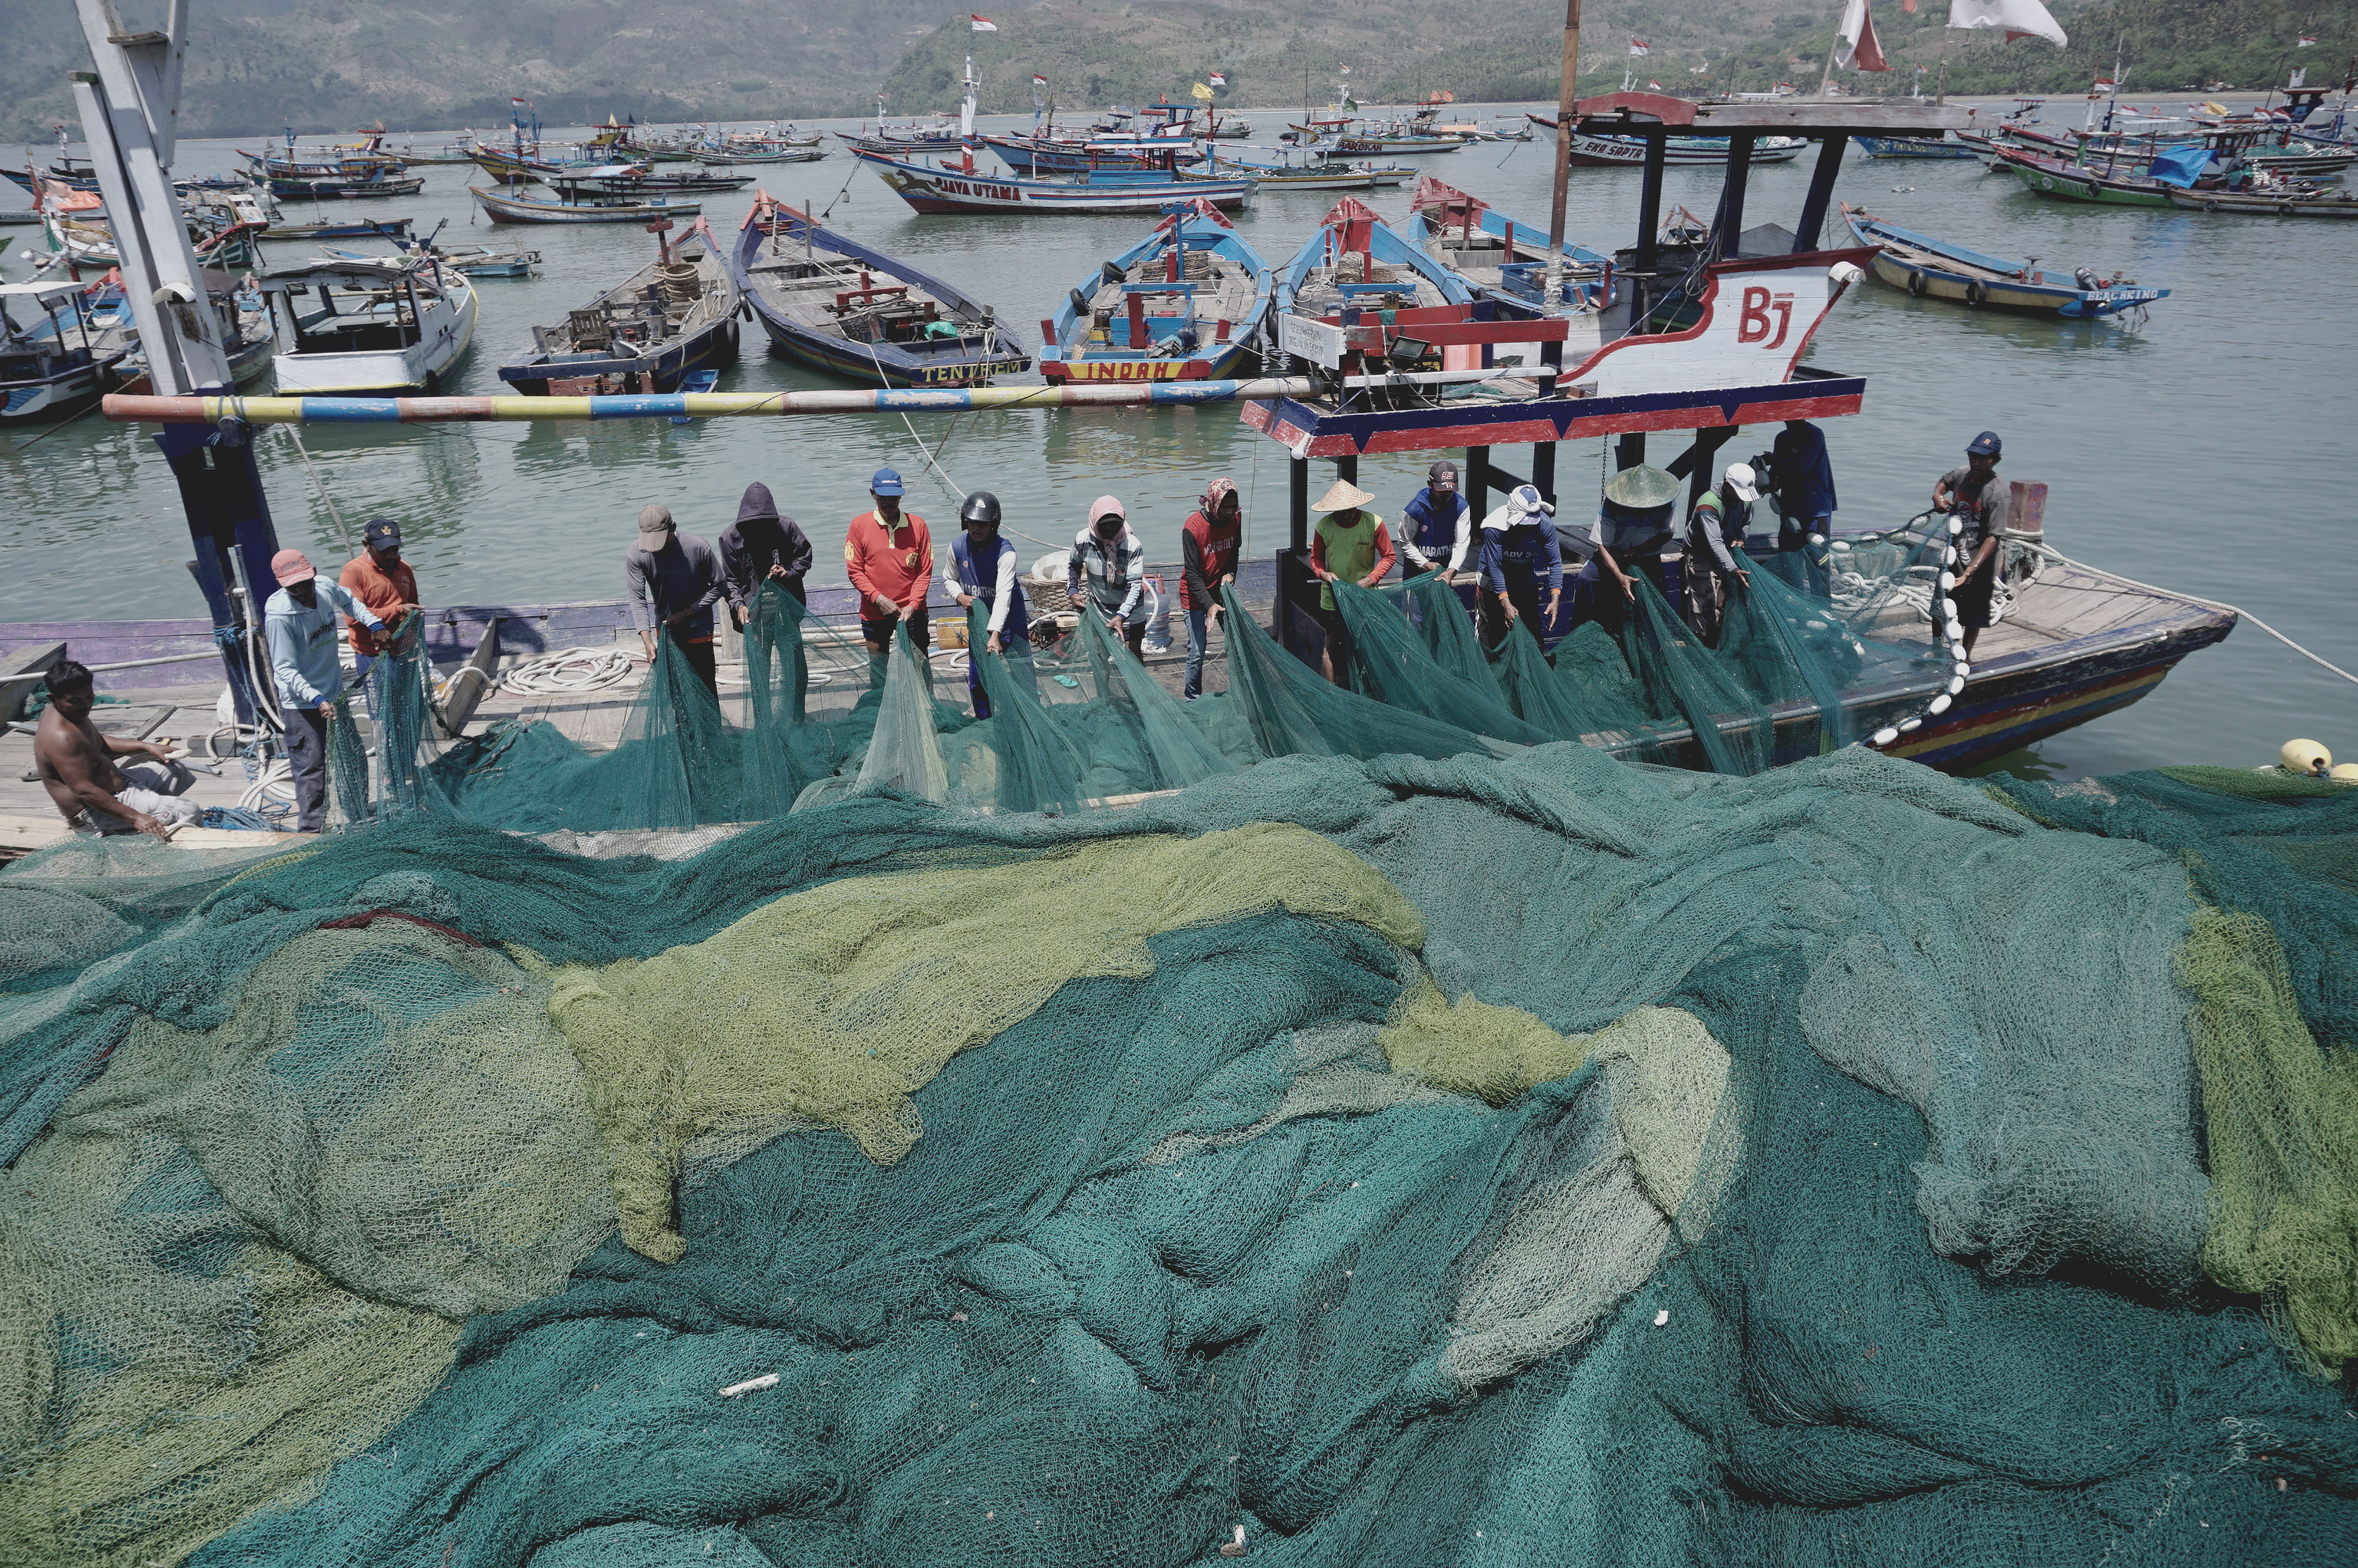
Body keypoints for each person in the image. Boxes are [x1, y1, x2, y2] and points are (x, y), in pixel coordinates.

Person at [264, 548, 382, 834]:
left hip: (335, 696)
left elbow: (350, 602)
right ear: (282, 585)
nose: (302, 591)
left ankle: (358, 813)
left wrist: (374, 624)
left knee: (353, 757)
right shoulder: (280, 616)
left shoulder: (327, 588)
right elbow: (284, 669)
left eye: (305, 583)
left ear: (314, 574)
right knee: (312, 770)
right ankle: (311, 832)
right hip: (302, 705)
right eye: (294, 588)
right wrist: (316, 698)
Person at [32, 658, 199, 838]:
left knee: (175, 769)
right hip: (93, 812)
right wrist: (136, 817)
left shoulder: (72, 712)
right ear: (53, 698)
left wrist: (146, 747)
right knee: (189, 810)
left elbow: (98, 742)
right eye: (75, 701)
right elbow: (84, 791)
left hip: (120, 785)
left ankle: (155, 816)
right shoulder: (61, 737)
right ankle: (145, 824)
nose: (86, 705)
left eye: (89, 696)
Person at [624, 504, 726, 694]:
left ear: (673, 527)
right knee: (676, 693)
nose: (655, 548)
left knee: (705, 689)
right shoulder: (637, 553)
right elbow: (637, 599)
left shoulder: (698, 547)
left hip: (699, 627)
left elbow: (720, 585)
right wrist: (647, 641)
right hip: (667, 630)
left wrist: (687, 613)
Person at [943, 490, 1027, 719]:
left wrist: (995, 634)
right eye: (972, 522)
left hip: (1010, 623)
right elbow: (949, 578)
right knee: (978, 680)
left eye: (982, 524)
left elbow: (1003, 596)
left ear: (994, 525)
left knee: (1022, 675)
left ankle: (1026, 720)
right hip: (979, 624)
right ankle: (984, 721)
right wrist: (959, 596)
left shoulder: (1005, 553)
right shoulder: (957, 548)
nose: (976, 528)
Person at [1566, 466, 1676, 637]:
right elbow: (1603, 545)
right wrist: (1619, 576)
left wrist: (1639, 549)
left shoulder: (1667, 503)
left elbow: (1666, 535)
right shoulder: (1612, 506)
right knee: (1586, 579)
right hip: (1614, 554)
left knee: (1657, 593)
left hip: (1647, 556)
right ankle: (1582, 634)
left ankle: (1652, 638)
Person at [1932, 430, 2013, 658]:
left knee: (1973, 617)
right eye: (1973, 456)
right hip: (1953, 556)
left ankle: (1964, 657)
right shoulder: (1962, 474)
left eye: (1982, 458)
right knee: (1940, 606)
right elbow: (1944, 482)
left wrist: (1970, 570)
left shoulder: (1998, 493)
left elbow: (1994, 536)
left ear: (1995, 460)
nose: (1976, 463)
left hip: (1979, 565)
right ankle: (1936, 650)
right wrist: (1937, 496)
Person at [1308, 479, 1394, 684]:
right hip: (1333, 595)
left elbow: (1389, 556)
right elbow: (1316, 558)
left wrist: (1370, 579)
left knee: (1366, 641)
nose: (1346, 515)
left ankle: (1369, 686)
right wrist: (1324, 575)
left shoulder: (1374, 523)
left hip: (1365, 594)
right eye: (1341, 512)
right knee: (1331, 641)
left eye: (1350, 510)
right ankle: (1331, 690)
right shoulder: (1323, 526)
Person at [846, 467, 934, 664]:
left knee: (920, 665)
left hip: (912, 611)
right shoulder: (858, 526)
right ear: (873, 494)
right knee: (878, 666)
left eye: (893, 497)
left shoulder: (919, 526)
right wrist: (879, 599)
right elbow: (855, 571)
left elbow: (924, 572)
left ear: (901, 496)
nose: (888, 502)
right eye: (883, 497)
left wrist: (913, 605)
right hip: (874, 610)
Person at [337, 517, 419, 698]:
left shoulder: (405, 569)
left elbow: (413, 603)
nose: (391, 556)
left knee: (408, 701)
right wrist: (398, 611)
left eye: (394, 549)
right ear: (367, 545)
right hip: (373, 654)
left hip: (404, 649)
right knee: (383, 706)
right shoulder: (354, 572)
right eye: (384, 551)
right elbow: (352, 618)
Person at [1476, 483, 1563, 648]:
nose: (1527, 526)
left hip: (1524, 581)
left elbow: (1555, 563)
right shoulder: (1495, 528)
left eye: (1531, 522)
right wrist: (1505, 603)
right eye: (1523, 522)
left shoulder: (1545, 526)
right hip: (1492, 584)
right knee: (1491, 640)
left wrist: (1555, 598)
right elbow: (1495, 568)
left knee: (1533, 639)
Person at [1681, 463, 1757, 647]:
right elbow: (1714, 541)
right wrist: (1734, 569)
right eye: (1738, 493)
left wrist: (1741, 538)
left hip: (1725, 554)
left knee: (1723, 602)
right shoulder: (1708, 504)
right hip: (1701, 556)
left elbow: (1746, 521)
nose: (1741, 498)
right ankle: (1702, 644)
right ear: (1727, 484)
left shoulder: (1745, 499)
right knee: (1703, 604)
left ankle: (1720, 641)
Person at [1179, 476, 1241, 700]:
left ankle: (1241, 691)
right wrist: (1209, 605)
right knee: (1197, 651)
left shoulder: (1236, 518)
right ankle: (1192, 700)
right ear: (1214, 503)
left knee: (1237, 643)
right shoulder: (1192, 528)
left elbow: (1234, 552)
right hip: (1195, 596)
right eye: (1225, 507)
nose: (1229, 512)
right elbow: (1193, 575)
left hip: (1220, 591)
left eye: (1233, 506)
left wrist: (1230, 574)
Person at [718, 480, 814, 625]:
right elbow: (730, 579)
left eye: (764, 523)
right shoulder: (730, 538)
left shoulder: (787, 527)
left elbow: (804, 557)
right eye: (754, 524)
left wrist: (788, 573)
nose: (759, 528)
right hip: (751, 606)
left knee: (790, 638)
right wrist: (739, 604)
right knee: (757, 638)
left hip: (786, 601)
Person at [1068, 495, 1150, 658]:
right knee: (1100, 657)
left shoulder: (1133, 546)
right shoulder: (1083, 540)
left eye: (1115, 525)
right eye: (1105, 526)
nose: (1110, 530)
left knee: (1132, 656)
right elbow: (1074, 565)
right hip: (1099, 612)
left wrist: (1121, 615)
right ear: (1095, 523)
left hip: (1130, 614)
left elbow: (1134, 586)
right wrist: (1073, 591)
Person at [1395, 459, 1472, 585]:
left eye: (1450, 490)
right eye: (1442, 490)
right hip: (1415, 575)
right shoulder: (1414, 510)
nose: (1447, 494)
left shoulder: (1461, 507)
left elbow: (1461, 543)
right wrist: (1424, 564)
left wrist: (1452, 570)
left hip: (1445, 574)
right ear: (1430, 484)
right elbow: (1405, 541)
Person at [1770, 418, 1837, 553]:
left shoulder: (1814, 434)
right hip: (1790, 508)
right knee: (1788, 553)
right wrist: (1771, 480)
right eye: (1788, 420)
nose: (1791, 423)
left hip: (1815, 509)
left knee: (1817, 555)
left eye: (1795, 420)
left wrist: (1775, 460)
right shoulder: (1782, 438)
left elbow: (1801, 467)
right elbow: (1776, 472)